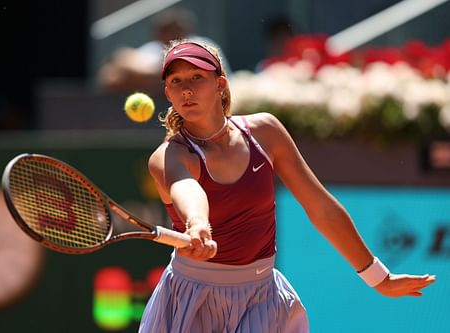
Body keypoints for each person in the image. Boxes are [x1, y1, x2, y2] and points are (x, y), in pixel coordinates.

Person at [139, 40, 436, 333]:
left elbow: (320, 207)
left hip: (263, 299)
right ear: (167, 93)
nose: (186, 90)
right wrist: (198, 223)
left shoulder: (265, 132)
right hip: (194, 302)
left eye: (197, 77)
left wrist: (378, 277)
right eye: (176, 81)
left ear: (220, 83)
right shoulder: (169, 156)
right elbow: (187, 188)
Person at [98, 8, 230, 95]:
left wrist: (147, 75)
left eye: (173, 30)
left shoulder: (201, 45)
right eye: (164, 31)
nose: (168, 36)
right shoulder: (155, 48)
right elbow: (109, 78)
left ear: (185, 31)